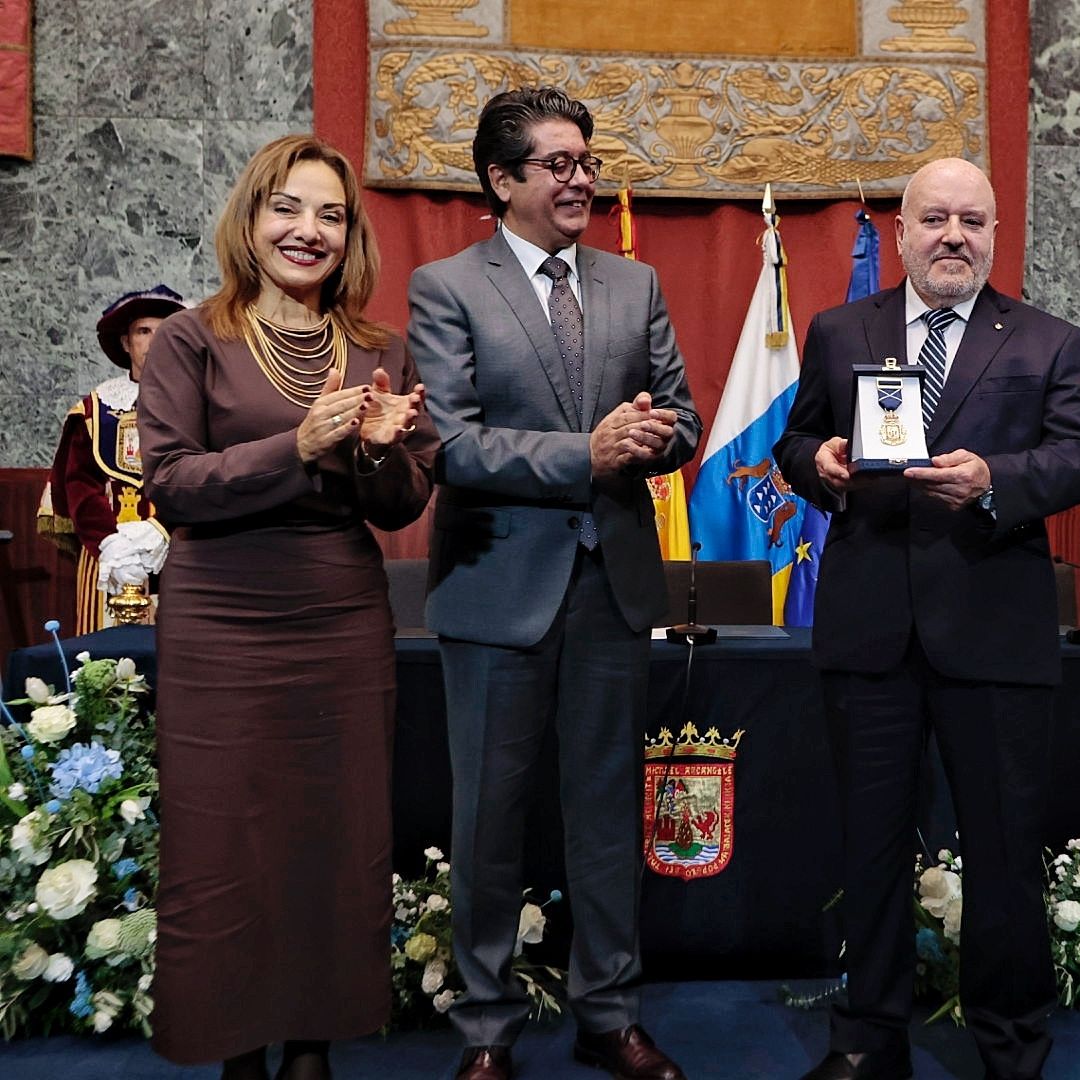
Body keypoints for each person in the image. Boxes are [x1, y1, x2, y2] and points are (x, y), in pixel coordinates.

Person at [774, 156, 1080, 1080]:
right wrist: (821, 465)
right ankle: (866, 1040)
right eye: (936, 220)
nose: (955, 236)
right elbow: (794, 439)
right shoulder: (842, 329)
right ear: (906, 229)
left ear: (995, 234)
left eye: (973, 221)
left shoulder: (1047, 340)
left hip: (994, 634)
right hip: (869, 632)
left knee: (1003, 853)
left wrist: (996, 480)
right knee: (871, 851)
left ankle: (1010, 1045)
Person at [408, 86, 699, 1080]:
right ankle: (486, 1028)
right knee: (488, 820)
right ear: (502, 180)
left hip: (611, 589)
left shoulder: (635, 283)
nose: (582, 178)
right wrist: (588, 449)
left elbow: (687, 420)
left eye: (587, 161)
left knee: (609, 812)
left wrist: (655, 436)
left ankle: (609, 1013)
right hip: (497, 591)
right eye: (559, 164)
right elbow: (449, 441)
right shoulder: (446, 286)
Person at [138, 134, 437, 1080]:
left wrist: (385, 451)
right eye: (289, 209)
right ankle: (236, 1046)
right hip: (220, 623)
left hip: (339, 617)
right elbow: (175, 486)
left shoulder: (377, 347)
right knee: (224, 840)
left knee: (331, 838)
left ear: (350, 238)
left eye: (332, 215)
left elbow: (401, 504)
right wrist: (297, 447)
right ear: (252, 219)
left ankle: (312, 1044)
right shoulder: (192, 337)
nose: (309, 231)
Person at [39, 285, 186, 633]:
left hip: (180, 553)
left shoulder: (202, 405)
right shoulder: (95, 409)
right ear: (126, 343)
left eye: (165, 333)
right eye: (143, 332)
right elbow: (78, 485)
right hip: (108, 555)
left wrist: (161, 530)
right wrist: (109, 543)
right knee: (102, 668)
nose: (154, 342)